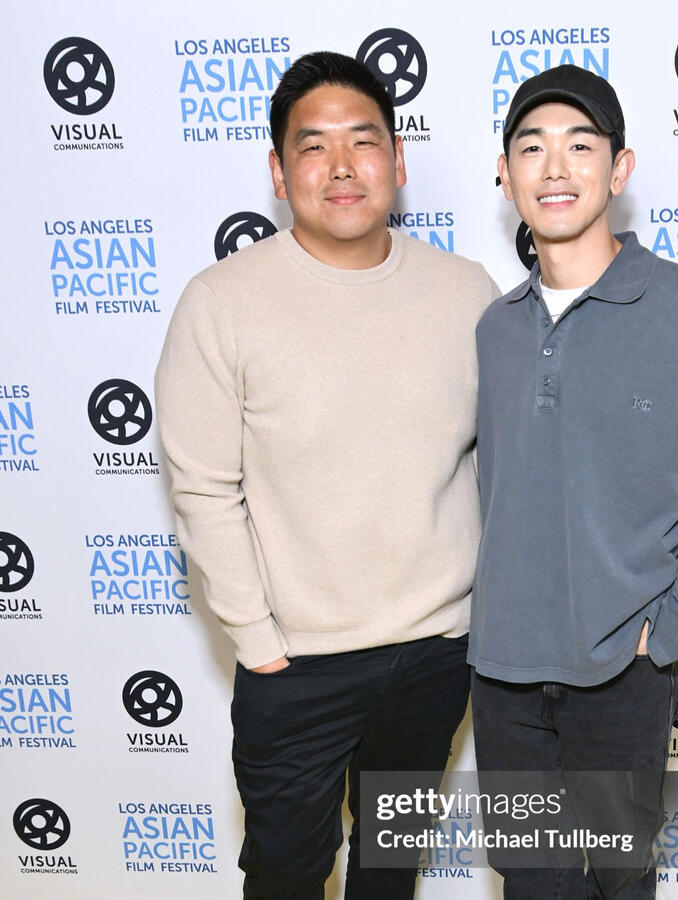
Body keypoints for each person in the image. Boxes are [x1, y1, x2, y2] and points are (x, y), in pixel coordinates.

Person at [155, 51, 498, 900]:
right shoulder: (221, 302)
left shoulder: (468, 293)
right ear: (279, 172)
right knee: (286, 875)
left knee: (390, 870)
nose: (342, 166)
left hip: (436, 654)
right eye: (313, 146)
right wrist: (261, 644)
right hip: (297, 668)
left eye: (364, 141)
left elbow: (498, 464)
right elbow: (202, 485)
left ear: (398, 160)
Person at [469, 65, 678, 898]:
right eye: (531, 148)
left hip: (622, 674)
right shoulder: (495, 329)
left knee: (620, 878)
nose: (554, 168)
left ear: (619, 168)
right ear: (505, 174)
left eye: (580, 146)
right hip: (501, 670)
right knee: (531, 881)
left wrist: (666, 631)